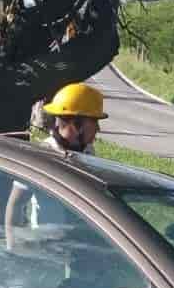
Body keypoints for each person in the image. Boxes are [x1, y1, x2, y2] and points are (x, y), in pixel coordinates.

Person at [6, 82, 105, 249]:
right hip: (46, 249)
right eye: (94, 121)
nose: (98, 128)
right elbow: (15, 203)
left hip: (79, 247)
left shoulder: (88, 152)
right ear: (76, 124)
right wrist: (14, 247)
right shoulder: (41, 155)